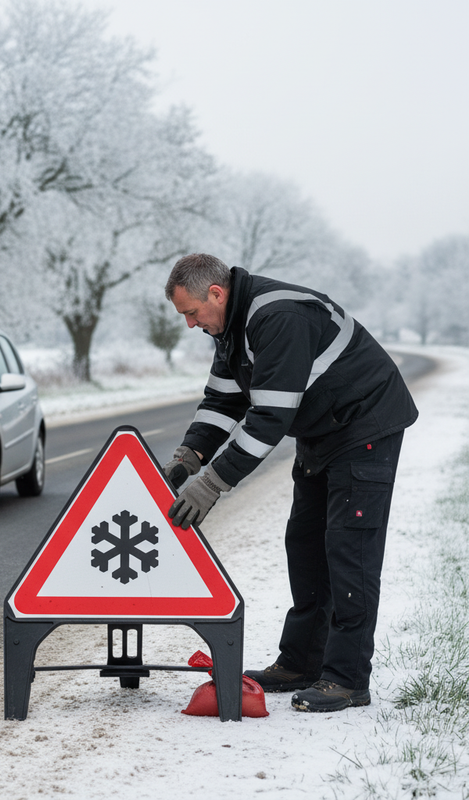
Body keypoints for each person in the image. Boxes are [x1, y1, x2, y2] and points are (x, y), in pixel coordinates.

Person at [161, 253, 418, 713]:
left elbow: (268, 417)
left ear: (216, 294)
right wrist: (187, 457)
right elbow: (223, 400)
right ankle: (301, 662)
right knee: (304, 544)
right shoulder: (230, 325)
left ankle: (346, 679)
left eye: (191, 313)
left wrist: (211, 484)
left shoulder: (277, 317)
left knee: (348, 549)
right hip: (322, 431)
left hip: (364, 427)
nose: (189, 324)